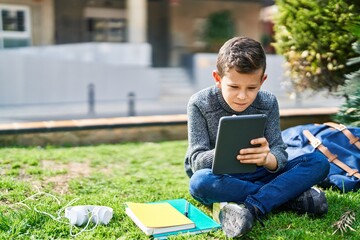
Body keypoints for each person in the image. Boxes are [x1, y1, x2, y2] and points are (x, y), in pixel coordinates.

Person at [184, 36, 330, 238]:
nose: (242, 96)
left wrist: (268, 159)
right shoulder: (200, 103)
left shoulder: (268, 102)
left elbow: (279, 151)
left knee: (318, 161)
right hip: (223, 178)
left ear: (262, 80)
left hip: (260, 171)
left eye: (251, 88)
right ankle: (288, 197)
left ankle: (253, 207)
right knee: (199, 183)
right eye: (234, 87)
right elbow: (196, 161)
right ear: (218, 79)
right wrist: (225, 152)